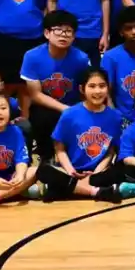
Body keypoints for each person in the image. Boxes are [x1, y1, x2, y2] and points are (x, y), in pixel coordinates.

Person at [36, 67, 125, 203]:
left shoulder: (115, 117)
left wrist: (96, 172)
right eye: (92, 86)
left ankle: (68, 189)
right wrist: (71, 171)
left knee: (120, 171)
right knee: (43, 170)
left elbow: (110, 152)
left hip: (97, 173)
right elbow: (59, 149)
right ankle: (95, 191)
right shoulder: (69, 114)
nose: (97, 91)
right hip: (71, 171)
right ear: (82, 89)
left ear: (108, 88)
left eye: (102, 86)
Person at [21, 11, 91, 159]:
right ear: (47, 33)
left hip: (74, 105)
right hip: (45, 107)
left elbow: (86, 89)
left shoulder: (81, 59)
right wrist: (65, 109)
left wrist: (76, 109)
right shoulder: (32, 56)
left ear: (74, 36)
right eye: (58, 30)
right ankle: (46, 158)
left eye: (68, 31)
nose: (63, 35)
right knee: (41, 117)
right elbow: (35, 95)